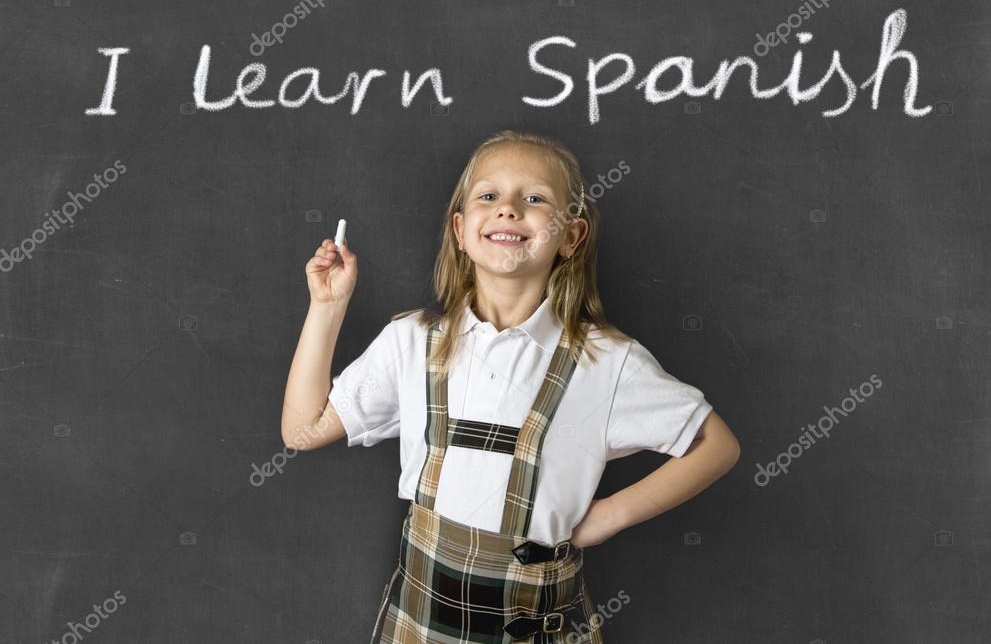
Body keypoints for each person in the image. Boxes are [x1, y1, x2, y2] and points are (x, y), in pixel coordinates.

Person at [281, 129, 741, 643]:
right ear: (460, 229)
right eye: (488, 196)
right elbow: (302, 431)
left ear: (571, 236)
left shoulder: (608, 361)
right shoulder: (410, 342)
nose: (508, 210)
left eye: (535, 198)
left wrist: (609, 516)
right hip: (419, 624)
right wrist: (327, 307)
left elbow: (716, 445)